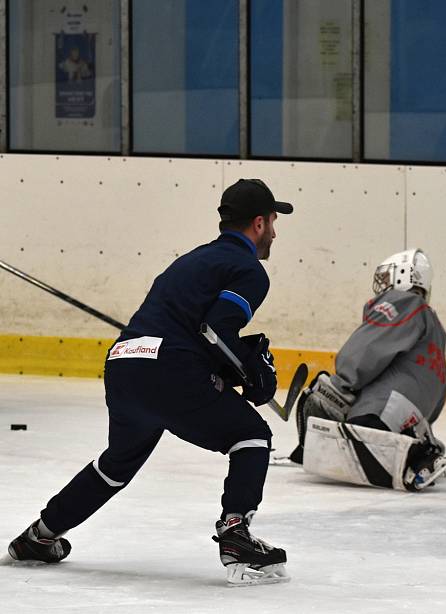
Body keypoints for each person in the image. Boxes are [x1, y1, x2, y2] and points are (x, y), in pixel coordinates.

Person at [8, 179, 294, 585]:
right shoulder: (249, 270)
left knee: (116, 465)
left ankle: (40, 536)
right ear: (260, 223)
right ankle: (236, 534)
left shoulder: (192, 260)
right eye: (274, 223)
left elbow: (195, 330)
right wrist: (252, 374)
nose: (276, 233)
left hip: (125, 362)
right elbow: (216, 329)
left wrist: (236, 369)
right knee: (251, 437)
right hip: (169, 369)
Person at [290, 248, 446, 491]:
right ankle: (416, 446)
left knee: (322, 394)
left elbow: (369, 348)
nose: (382, 285)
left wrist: (343, 383)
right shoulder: (435, 326)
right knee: (375, 433)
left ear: (405, 276)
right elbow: (440, 386)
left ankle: (405, 451)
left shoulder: (403, 301)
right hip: (417, 414)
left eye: (387, 277)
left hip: (386, 405)